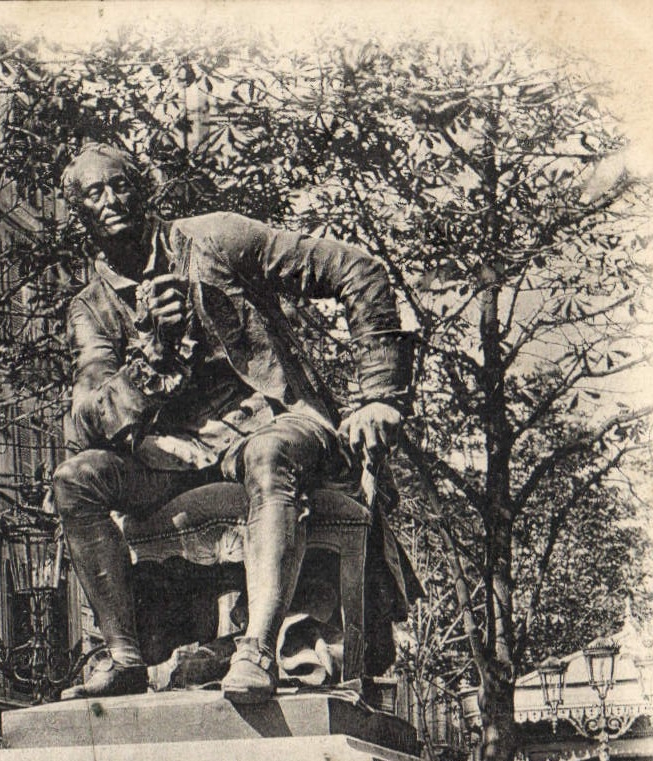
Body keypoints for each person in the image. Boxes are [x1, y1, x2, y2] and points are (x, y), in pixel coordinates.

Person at [53, 142, 411, 702]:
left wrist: (379, 393)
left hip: (275, 424)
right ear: (79, 216)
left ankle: (258, 651)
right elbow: (89, 422)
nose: (111, 200)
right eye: (94, 193)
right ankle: (122, 656)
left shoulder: (215, 238)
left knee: (269, 455)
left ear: (143, 191)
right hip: (176, 460)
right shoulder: (92, 308)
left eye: (121, 184)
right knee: (76, 478)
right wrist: (151, 353)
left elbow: (356, 269)